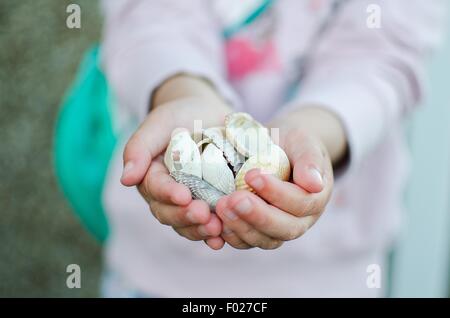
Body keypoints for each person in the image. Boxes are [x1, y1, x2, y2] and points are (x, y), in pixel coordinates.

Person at [99, 0, 446, 297]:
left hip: (330, 276)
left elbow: (385, 49)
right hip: (155, 273)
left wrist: (315, 132)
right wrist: (184, 93)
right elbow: (148, 16)